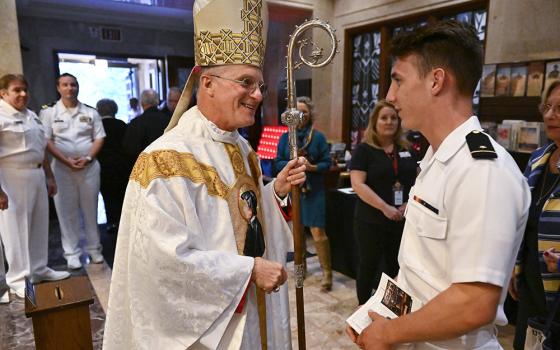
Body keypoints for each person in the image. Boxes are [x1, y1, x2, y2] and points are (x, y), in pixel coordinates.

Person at [103, 1, 306, 348]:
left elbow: (245, 223)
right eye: (246, 82)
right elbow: (159, 264)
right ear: (208, 83)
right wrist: (248, 272)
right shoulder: (165, 160)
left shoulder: (243, 149)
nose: (257, 95)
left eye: (260, 85)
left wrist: (276, 192)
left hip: (252, 315)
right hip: (209, 331)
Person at [346, 20, 531, 349]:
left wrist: (389, 333)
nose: (390, 96)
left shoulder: (482, 169)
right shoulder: (437, 159)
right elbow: (421, 269)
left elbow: (475, 301)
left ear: (436, 81)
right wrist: (378, 313)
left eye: (398, 81)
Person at [0, 74, 70, 300]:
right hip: (12, 176)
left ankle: (39, 269)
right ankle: (19, 279)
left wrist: (49, 177)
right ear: (3, 93)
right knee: (15, 229)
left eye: (25, 90)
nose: (23, 94)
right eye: (16, 90)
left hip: (37, 173)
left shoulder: (31, 116)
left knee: (39, 225)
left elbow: (40, 148)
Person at [349, 99, 417, 305]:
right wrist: (385, 208)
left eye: (394, 118)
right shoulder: (364, 150)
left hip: (400, 219)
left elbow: (418, 179)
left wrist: (409, 203)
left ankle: (389, 308)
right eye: (384, 118)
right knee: (368, 265)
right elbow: (358, 184)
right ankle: (363, 307)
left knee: (396, 266)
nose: (389, 122)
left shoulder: (406, 149)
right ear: (375, 122)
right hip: (371, 220)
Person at [510, 80, 560, 349]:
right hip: (531, 284)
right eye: (548, 107)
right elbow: (523, 219)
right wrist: (513, 267)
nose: (550, 115)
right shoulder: (538, 157)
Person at [39, 73, 106, 270]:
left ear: (78, 87)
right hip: (61, 169)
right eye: (65, 85)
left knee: (90, 210)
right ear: (58, 88)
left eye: (73, 85)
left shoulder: (90, 112)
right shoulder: (49, 112)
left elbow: (99, 138)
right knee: (66, 212)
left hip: (89, 168)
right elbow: (46, 141)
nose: (70, 88)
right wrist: (65, 160)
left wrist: (87, 158)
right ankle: (72, 253)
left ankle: (95, 250)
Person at [274, 96, 332, 292]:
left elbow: (327, 163)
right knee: (297, 233)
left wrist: (312, 166)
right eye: (297, 112)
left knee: (318, 233)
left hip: (314, 191)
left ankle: (327, 274)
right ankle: (302, 269)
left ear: (310, 114)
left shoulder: (318, 137)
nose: (301, 115)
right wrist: (293, 165)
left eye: (305, 112)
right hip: (295, 192)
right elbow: (278, 162)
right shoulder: (284, 138)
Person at [96, 99, 132, 235]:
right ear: (114, 110)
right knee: (122, 196)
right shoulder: (121, 125)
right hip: (121, 166)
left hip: (103, 167)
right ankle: (124, 223)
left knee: (108, 196)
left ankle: (111, 223)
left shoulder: (97, 126)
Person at [122, 89, 170, 163]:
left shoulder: (135, 123)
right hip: (166, 163)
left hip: (144, 166)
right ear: (157, 102)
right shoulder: (168, 120)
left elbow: (129, 150)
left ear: (141, 103)